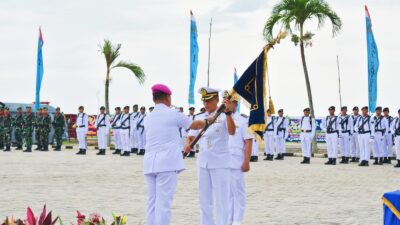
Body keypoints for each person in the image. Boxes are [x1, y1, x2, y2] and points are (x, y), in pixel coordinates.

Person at [144, 84, 199, 225]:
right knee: (164, 205)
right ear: (168, 98)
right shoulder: (173, 114)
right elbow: (193, 124)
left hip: (150, 164)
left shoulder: (148, 117)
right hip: (166, 165)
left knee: (152, 203)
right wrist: (208, 121)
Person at [186, 87, 236, 225]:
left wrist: (228, 114)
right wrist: (187, 144)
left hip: (220, 163)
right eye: (204, 102)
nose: (206, 104)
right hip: (203, 163)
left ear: (217, 100)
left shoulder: (224, 115)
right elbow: (190, 136)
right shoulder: (199, 117)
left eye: (208, 101)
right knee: (204, 200)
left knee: (221, 200)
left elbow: (232, 131)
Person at [227, 93, 253, 225]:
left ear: (235, 104)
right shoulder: (221, 119)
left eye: (229, 102)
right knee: (227, 194)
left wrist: (246, 161)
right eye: (225, 102)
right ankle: (228, 220)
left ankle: (237, 221)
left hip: (237, 161)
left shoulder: (243, 121)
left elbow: (248, 142)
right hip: (223, 162)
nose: (226, 105)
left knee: (238, 193)